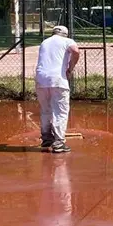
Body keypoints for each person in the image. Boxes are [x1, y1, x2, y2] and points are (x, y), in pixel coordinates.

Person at [35, 25, 80, 153]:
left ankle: (46, 138)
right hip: (58, 80)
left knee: (45, 109)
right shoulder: (67, 41)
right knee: (60, 111)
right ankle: (59, 142)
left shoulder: (45, 42)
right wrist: (70, 68)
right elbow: (76, 51)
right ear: (65, 34)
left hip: (41, 79)